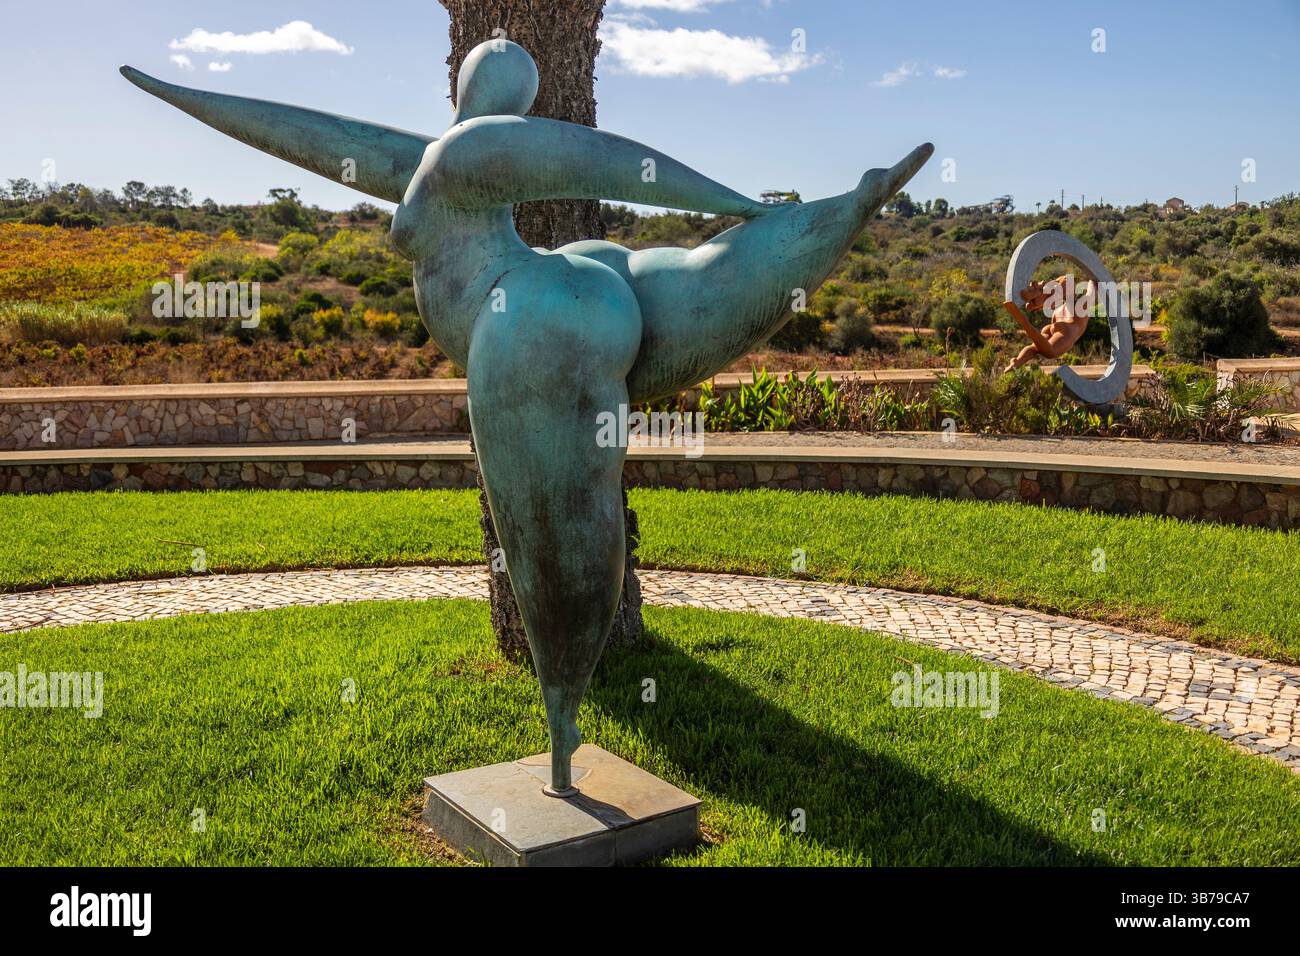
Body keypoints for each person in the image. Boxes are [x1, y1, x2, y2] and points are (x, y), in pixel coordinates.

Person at [1005, 274, 1095, 372]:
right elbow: (1091, 294)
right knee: (1050, 351)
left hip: (1056, 323)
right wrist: (1093, 280)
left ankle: (1017, 362)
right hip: (1067, 330)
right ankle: (1025, 321)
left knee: (1034, 347)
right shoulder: (1081, 306)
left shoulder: (1058, 310)